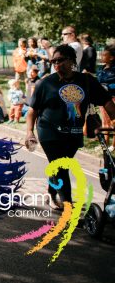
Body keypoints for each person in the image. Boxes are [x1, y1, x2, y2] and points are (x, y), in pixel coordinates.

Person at [24, 44, 115, 208]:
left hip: (73, 132)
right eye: (53, 61)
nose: (56, 64)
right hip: (48, 130)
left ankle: (52, 193)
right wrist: (29, 132)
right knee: (61, 166)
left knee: (59, 165)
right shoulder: (45, 84)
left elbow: (107, 102)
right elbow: (32, 111)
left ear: (72, 60)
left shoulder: (87, 81)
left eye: (60, 60)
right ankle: (68, 206)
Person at [97, 44, 115, 147]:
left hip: (112, 98)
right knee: (105, 122)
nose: (101, 57)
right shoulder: (101, 69)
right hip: (102, 99)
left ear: (111, 57)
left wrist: (108, 87)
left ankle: (113, 145)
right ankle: (105, 144)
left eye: (104, 55)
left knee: (113, 122)